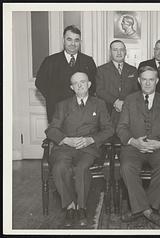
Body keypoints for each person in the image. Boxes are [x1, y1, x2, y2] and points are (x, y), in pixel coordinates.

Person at [45, 71, 114, 228]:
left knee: (82, 168)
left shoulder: (99, 104)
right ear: (72, 87)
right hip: (65, 147)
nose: (80, 85)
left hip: (88, 148)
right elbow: (52, 130)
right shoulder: (62, 105)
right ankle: (70, 207)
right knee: (60, 167)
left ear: (89, 84)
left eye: (83, 81)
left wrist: (90, 139)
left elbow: (109, 129)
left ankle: (81, 208)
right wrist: (66, 140)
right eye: (76, 83)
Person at [116, 66, 160, 228]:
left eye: (151, 79)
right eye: (144, 79)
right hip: (134, 148)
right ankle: (149, 212)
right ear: (139, 80)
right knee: (126, 166)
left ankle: (141, 209)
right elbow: (121, 128)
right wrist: (133, 141)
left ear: (157, 81)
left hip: (159, 148)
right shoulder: (130, 100)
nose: (147, 83)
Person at [35, 25, 97, 123]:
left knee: (81, 138)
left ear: (80, 42)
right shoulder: (50, 61)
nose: (73, 43)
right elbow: (39, 82)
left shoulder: (88, 61)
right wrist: (53, 98)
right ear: (63, 40)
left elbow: (94, 85)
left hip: (82, 113)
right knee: (57, 138)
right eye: (69, 39)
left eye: (76, 40)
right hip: (57, 112)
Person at [96, 40, 139, 128]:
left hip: (128, 112)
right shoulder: (101, 70)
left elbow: (136, 91)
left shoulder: (133, 70)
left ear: (125, 52)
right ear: (110, 52)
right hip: (108, 112)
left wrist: (125, 104)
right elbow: (99, 90)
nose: (119, 53)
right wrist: (116, 102)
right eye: (115, 50)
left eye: (121, 50)